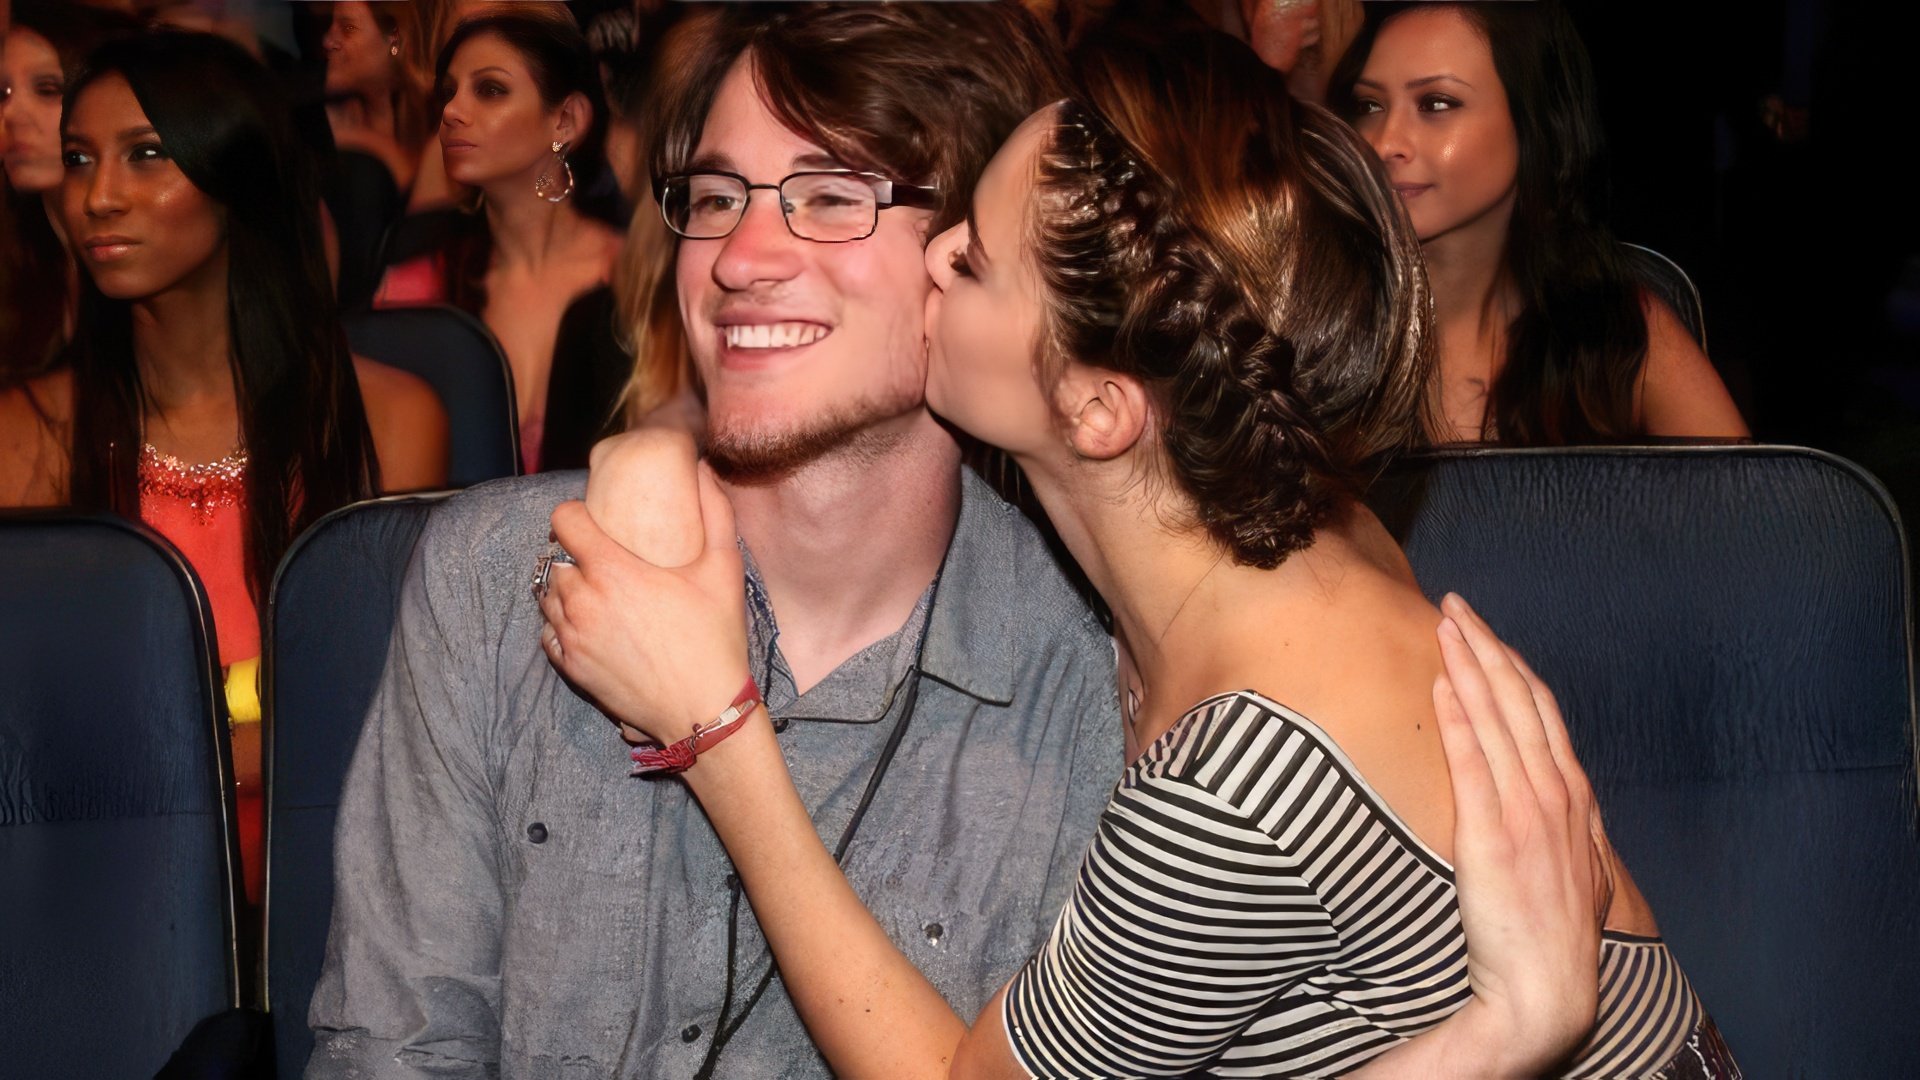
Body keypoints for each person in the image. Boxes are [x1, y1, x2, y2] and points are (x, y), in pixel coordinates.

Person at [543, 25, 1740, 1078]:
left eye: (970, 262)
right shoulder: (1308, 528)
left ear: (1102, 410)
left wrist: (722, 734)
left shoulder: (1235, 784)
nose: (931, 252)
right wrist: (661, 441)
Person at [306, 8, 1121, 1077]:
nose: (738, 256)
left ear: (978, 260)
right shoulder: (498, 580)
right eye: (717, 195)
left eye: (831, 195)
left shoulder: (1083, 690)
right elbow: (394, 1052)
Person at [0, 30, 448, 905]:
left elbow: (387, 715)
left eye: (147, 155)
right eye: (82, 158)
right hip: (104, 904)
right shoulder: (26, 436)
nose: (97, 196)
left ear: (235, 177)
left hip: (338, 894)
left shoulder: (387, 420)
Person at [1332, 1, 1748, 444]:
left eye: (1436, 103)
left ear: (1532, 123)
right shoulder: (1315, 330)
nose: (1385, 141)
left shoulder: (1613, 333)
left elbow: (1752, 504)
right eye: (1370, 105)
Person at [374, 11, 626, 473]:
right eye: (448, 92)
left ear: (565, 121)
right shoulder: (416, 285)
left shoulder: (635, 279)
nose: (451, 111)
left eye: (490, 90)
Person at [0, 0, 137, 382]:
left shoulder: (152, 250)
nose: (12, 114)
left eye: (47, 89)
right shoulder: (19, 250)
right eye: (3, 93)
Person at [320, 0, 433, 192]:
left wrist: (371, 146)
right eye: (330, 26)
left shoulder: (437, 117)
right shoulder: (324, 118)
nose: (328, 41)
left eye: (348, 28)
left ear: (394, 37)